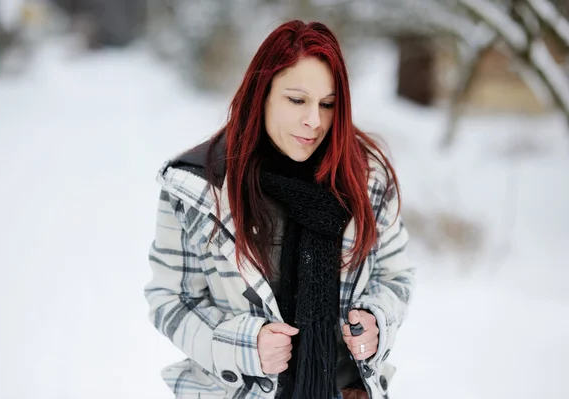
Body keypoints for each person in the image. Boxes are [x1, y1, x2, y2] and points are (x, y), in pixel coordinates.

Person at [144, 20, 415, 399]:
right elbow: (170, 300)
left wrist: (376, 321)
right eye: (296, 100)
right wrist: (242, 346)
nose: (314, 121)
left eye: (327, 104)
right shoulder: (198, 187)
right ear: (263, 94)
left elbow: (395, 275)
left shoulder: (364, 177)